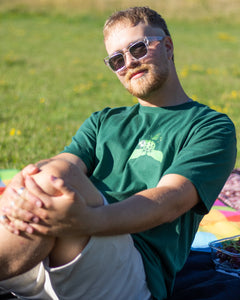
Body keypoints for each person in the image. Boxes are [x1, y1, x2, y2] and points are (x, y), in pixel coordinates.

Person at [0, 6, 236, 300]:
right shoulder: (104, 120)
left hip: (132, 271)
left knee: (54, 183)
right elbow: (62, 163)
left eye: (138, 48)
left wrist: (87, 220)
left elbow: (170, 201)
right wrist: (21, 185)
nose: (130, 63)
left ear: (168, 46)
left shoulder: (210, 126)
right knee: (44, 178)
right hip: (51, 251)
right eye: (117, 60)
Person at [0, 158, 150, 299]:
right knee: (43, 180)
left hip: (127, 271)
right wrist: (19, 182)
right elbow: (55, 162)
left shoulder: (172, 134)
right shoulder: (101, 129)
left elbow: (169, 204)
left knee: (56, 179)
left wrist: (91, 219)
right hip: (38, 259)